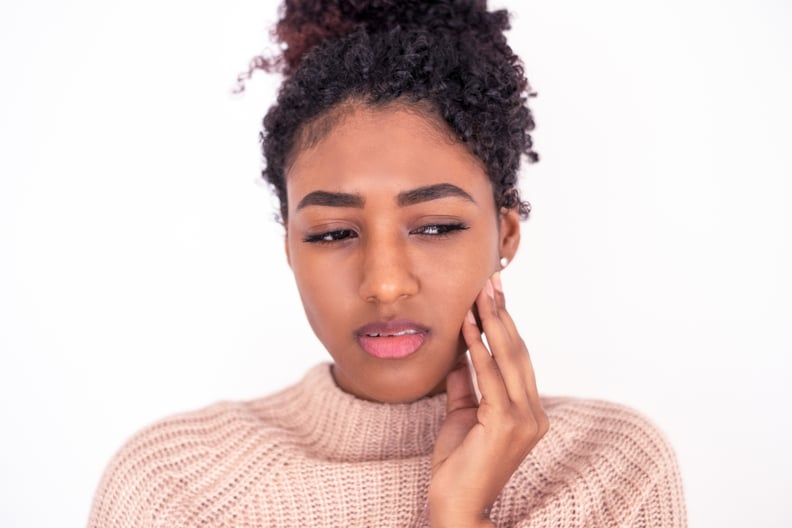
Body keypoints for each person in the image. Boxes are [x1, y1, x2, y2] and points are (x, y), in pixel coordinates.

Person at [88, 1, 686, 526]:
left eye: (435, 226)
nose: (385, 284)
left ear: (504, 233)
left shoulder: (610, 471)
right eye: (332, 233)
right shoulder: (171, 488)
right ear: (290, 248)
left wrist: (460, 518)